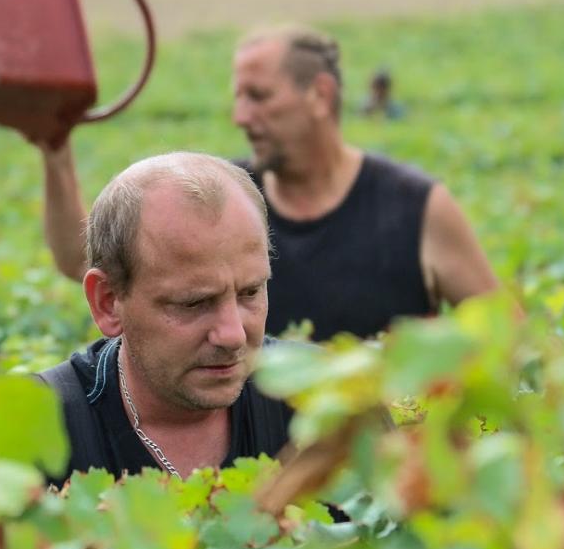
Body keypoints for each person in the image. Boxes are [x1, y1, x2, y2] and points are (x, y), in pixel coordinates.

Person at [30, 24, 498, 340]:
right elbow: (80, 260)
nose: (240, 117)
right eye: (238, 99)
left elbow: (507, 343)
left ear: (320, 96)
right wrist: (56, 153)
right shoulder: (225, 202)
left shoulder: (416, 209)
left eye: (258, 97)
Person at [39, 152, 292, 484]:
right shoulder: (34, 434)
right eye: (194, 303)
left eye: (250, 292)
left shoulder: (326, 406)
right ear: (108, 302)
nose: (233, 335)